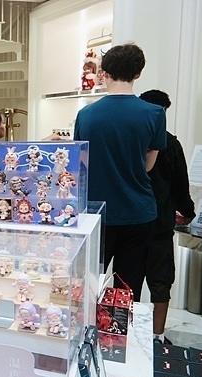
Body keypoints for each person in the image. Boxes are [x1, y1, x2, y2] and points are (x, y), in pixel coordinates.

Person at [73, 43, 167, 302]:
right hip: (138, 212)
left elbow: (81, 164)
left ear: (104, 72)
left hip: (95, 214)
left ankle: (89, 328)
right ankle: (119, 328)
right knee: (127, 290)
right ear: (138, 73)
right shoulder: (154, 113)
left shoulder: (85, 115)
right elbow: (148, 165)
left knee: (87, 287)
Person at [139, 89, 196, 345]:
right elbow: (180, 184)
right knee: (161, 281)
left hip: (131, 223)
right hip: (160, 223)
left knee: (125, 280)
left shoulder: (132, 141)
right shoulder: (171, 144)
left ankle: (122, 333)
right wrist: (188, 211)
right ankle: (157, 336)